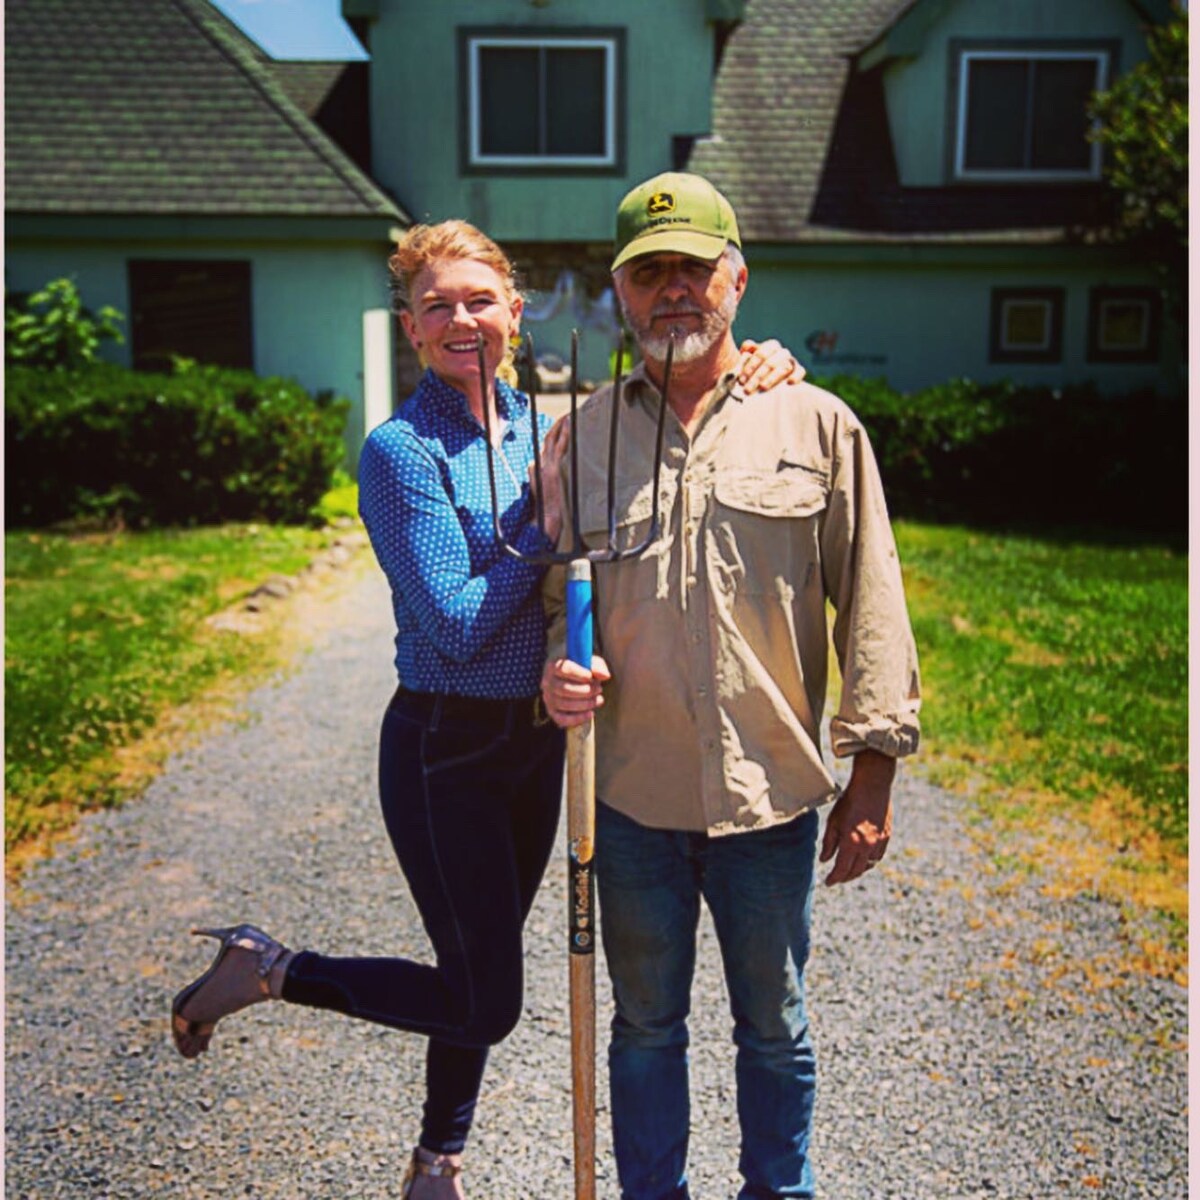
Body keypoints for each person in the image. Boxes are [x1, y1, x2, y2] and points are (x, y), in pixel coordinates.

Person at [169, 217, 806, 1200]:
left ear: (514, 311)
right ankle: (271, 970)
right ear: (411, 331)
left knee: (469, 970)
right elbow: (460, 622)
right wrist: (550, 525)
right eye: (436, 307)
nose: (460, 320)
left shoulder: (556, 427)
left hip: (536, 748)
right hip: (443, 750)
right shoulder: (400, 452)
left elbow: (679, 403)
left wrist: (759, 363)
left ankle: (436, 1163)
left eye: (479, 300)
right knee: (486, 998)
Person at [540, 173, 922, 1200]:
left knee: (774, 1025)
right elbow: (548, 598)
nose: (673, 290)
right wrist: (553, 670)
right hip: (627, 800)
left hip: (769, 798)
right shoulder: (583, 438)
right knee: (645, 1027)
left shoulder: (818, 425)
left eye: (693, 269)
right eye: (648, 271)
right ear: (620, 292)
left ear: (737, 280)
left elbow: (872, 598)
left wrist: (875, 770)